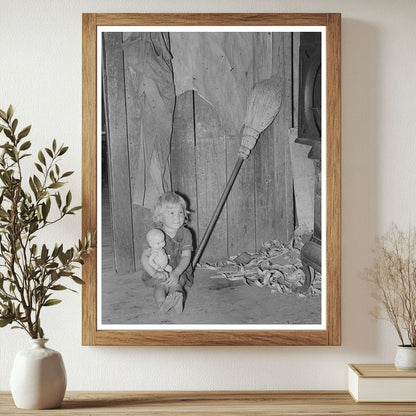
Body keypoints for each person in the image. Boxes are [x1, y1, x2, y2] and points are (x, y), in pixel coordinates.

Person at [140, 192, 193, 313]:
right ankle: (162, 304)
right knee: (160, 285)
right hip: (160, 270)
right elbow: (144, 258)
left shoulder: (185, 234)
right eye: (172, 213)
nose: (178, 216)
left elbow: (186, 256)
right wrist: (154, 273)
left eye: (180, 212)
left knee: (178, 285)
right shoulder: (154, 234)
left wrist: (177, 273)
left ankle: (177, 302)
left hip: (180, 269)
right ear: (160, 216)